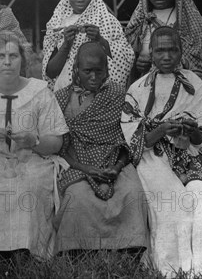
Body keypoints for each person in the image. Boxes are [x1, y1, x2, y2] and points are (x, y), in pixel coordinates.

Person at [121, 27, 202, 278]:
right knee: (173, 200)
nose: (166, 56)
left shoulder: (194, 85)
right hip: (152, 156)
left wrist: (191, 131)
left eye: (172, 50)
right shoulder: (138, 88)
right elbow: (133, 140)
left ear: (180, 52)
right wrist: (162, 130)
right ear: (151, 53)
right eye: (160, 50)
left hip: (187, 154)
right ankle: (171, 268)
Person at [0, 31, 69, 262]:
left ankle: (26, 249)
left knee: (27, 188)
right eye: (0, 56)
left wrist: (34, 142)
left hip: (32, 160)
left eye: (13, 56)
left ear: (23, 60)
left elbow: (56, 142)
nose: (7, 62)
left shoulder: (40, 93)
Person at [53, 42, 148, 253]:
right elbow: (60, 145)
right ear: (76, 69)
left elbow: (128, 137)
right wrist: (85, 169)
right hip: (75, 161)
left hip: (116, 160)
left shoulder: (118, 94)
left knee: (132, 193)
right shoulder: (61, 98)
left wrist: (117, 167)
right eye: (88, 71)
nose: (94, 77)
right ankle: (77, 250)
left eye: (99, 71)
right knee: (77, 196)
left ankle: (129, 249)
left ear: (107, 70)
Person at [125, 0, 202, 90]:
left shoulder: (187, 20)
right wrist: (138, 64)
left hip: (182, 91)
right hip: (146, 90)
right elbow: (126, 57)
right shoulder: (140, 22)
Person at [43, 0, 134, 91]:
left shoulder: (108, 21)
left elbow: (127, 58)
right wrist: (66, 45)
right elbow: (50, 72)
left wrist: (100, 40)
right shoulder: (57, 24)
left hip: (101, 92)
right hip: (65, 93)